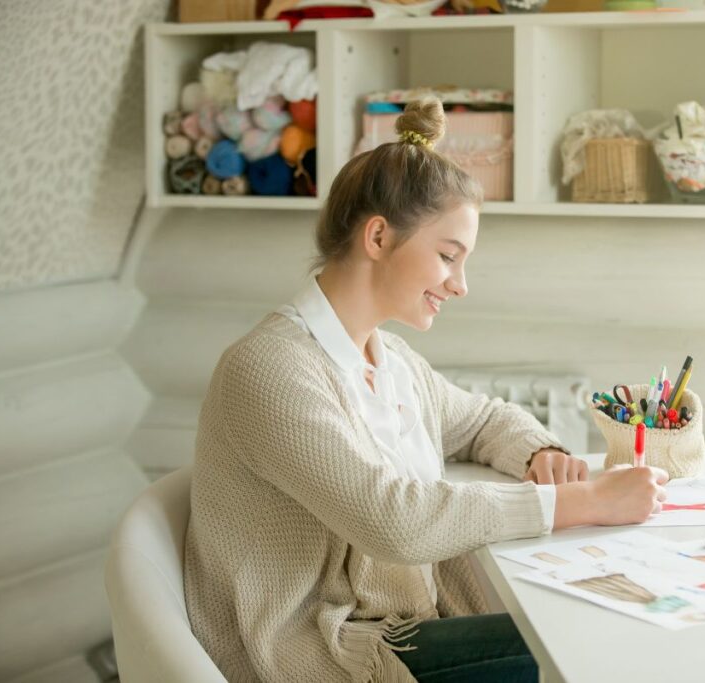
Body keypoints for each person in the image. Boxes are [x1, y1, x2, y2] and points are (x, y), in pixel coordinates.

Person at [184, 96, 669, 683]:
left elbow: (482, 421)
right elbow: (393, 521)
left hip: (405, 628)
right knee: (582, 639)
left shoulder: (391, 361)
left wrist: (541, 453)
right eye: (447, 256)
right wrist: (583, 502)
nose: (460, 285)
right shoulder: (269, 370)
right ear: (378, 237)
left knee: (599, 621)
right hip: (326, 653)